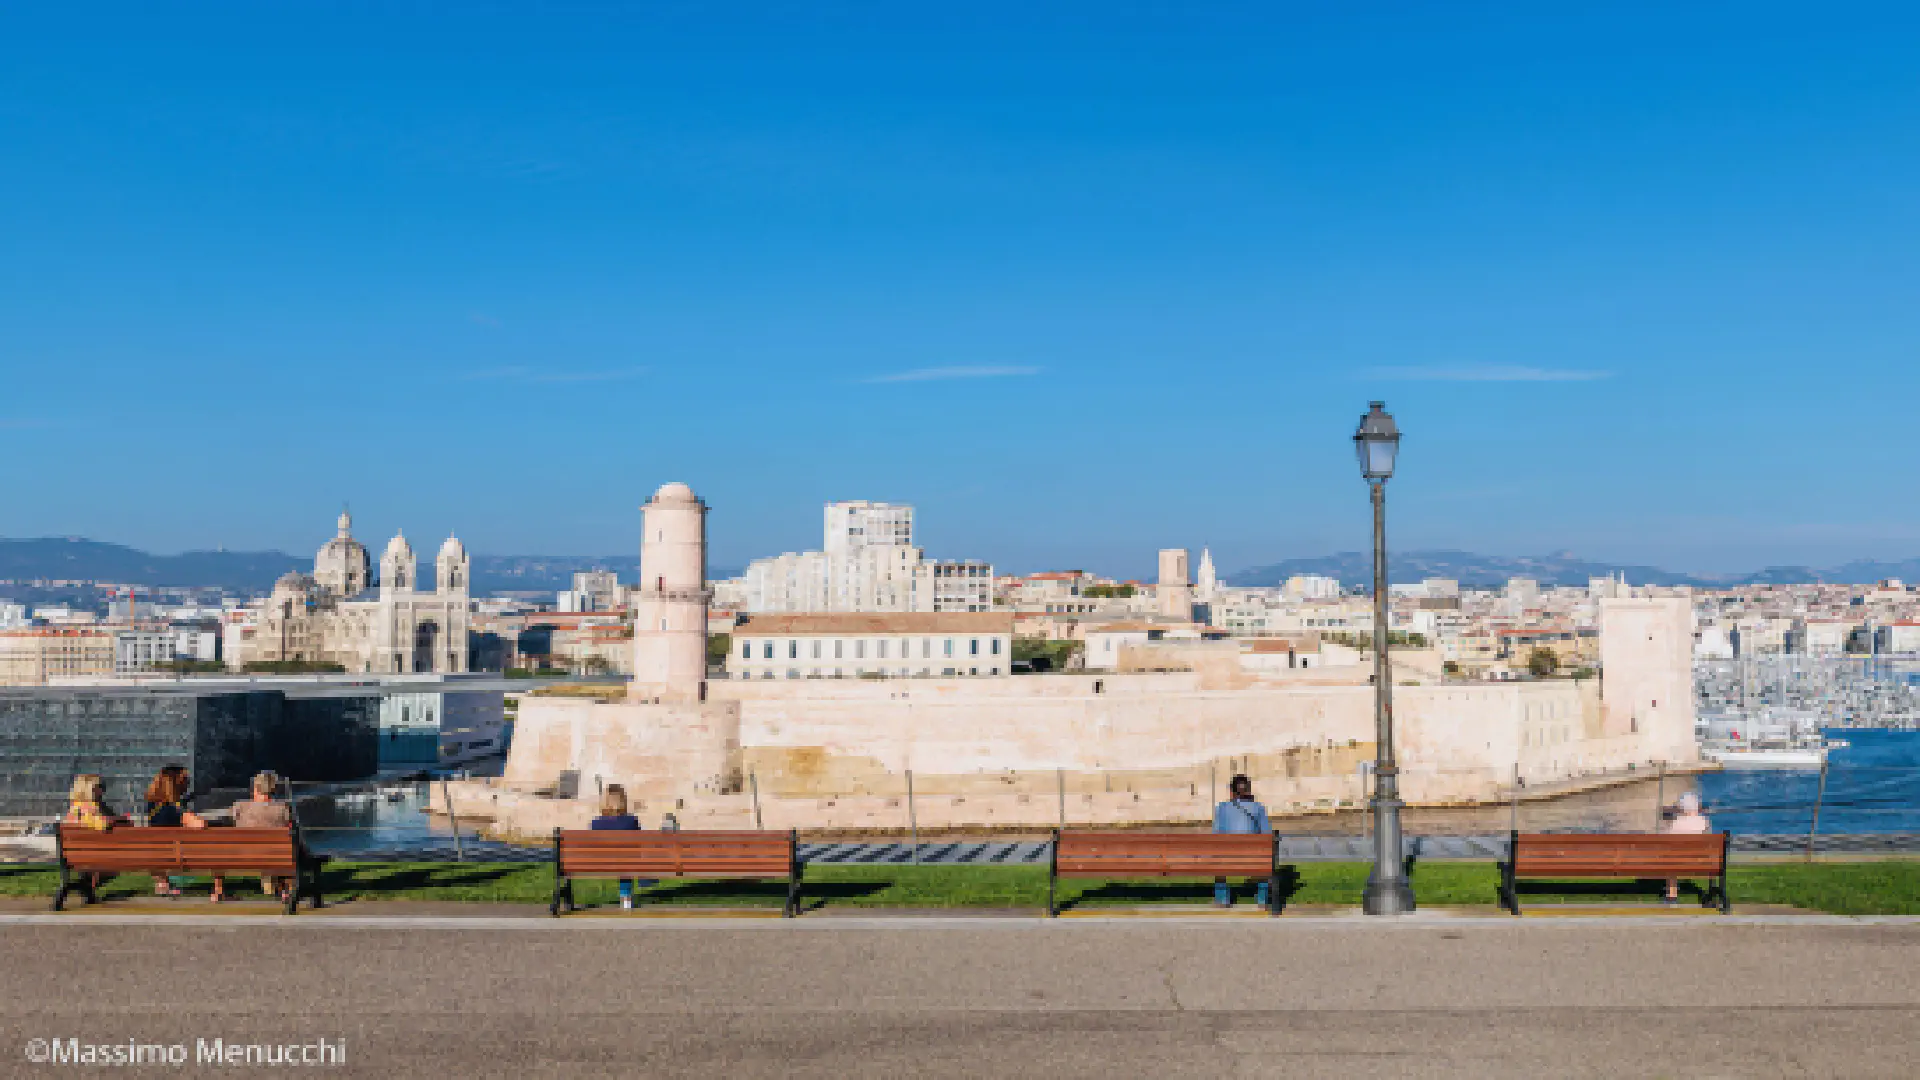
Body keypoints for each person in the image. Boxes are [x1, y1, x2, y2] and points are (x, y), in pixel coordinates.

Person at [144, 765, 217, 900]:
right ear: (176, 784)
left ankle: (162, 883)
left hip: (158, 855)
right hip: (177, 857)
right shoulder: (174, 808)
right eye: (185, 780)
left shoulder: (152, 806)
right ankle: (219, 889)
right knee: (215, 844)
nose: (187, 784)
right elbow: (200, 825)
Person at [1212, 773, 1273, 908]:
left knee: (1218, 861)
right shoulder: (1258, 807)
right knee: (1264, 860)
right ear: (1248, 790)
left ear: (1232, 791)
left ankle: (1222, 899)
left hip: (1227, 857)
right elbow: (1267, 834)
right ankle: (1262, 900)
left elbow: (1216, 834)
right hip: (1253, 856)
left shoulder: (1222, 808)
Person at [232, 771, 294, 902]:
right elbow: (289, 825)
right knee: (285, 847)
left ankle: (218, 890)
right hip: (276, 854)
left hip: (244, 854)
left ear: (256, 788)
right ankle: (284, 888)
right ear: (272, 788)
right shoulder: (282, 808)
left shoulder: (239, 807)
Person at [63, 774, 124, 898]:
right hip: (93, 855)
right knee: (114, 868)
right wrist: (116, 820)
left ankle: (87, 886)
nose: (103, 790)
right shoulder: (89, 807)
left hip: (75, 855)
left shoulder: (74, 808)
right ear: (88, 789)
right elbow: (102, 824)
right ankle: (88, 885)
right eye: (100, 786)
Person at [590, 784, 643, 910]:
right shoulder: (631, 820)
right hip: (625, 862)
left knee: (624, 860)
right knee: (626, 860)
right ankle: (626, 898)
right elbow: (639, 842)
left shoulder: (595, 823)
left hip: (600, 863)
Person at [1663, 791, 1711, 904]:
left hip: (1678, 860)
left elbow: (1668, 842)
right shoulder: (1704, 821)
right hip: (1701, 861)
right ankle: (1711, 892)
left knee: (1670, 862)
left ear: (1682, 807)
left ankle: (1672, 895)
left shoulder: (1676, 822)